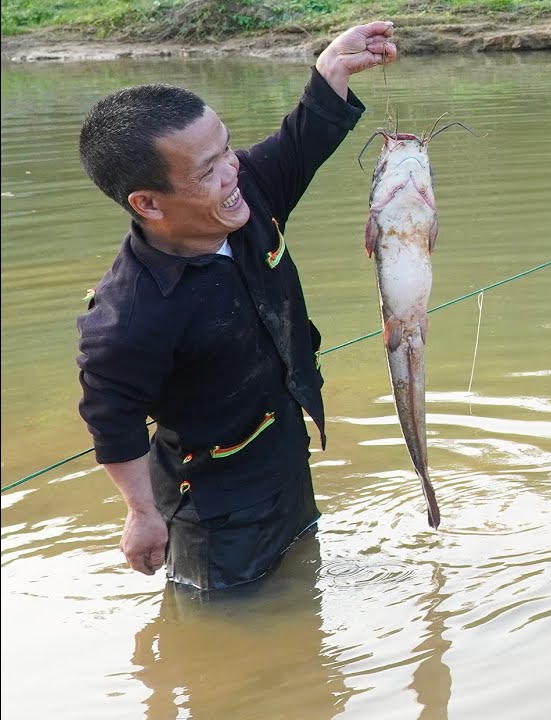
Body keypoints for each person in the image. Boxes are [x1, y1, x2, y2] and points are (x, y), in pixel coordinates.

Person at [76, 21, 398, 591]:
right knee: (226, 626)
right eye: (208, 169)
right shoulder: (128, 317)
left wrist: (331, 73)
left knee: (303, 595)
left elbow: (298, 143)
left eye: (227, 149)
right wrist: (142, 514)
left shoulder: (246, 191)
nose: (233, 172)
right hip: (214, 506)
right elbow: (113, 420)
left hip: (286, 451)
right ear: (148, 203)